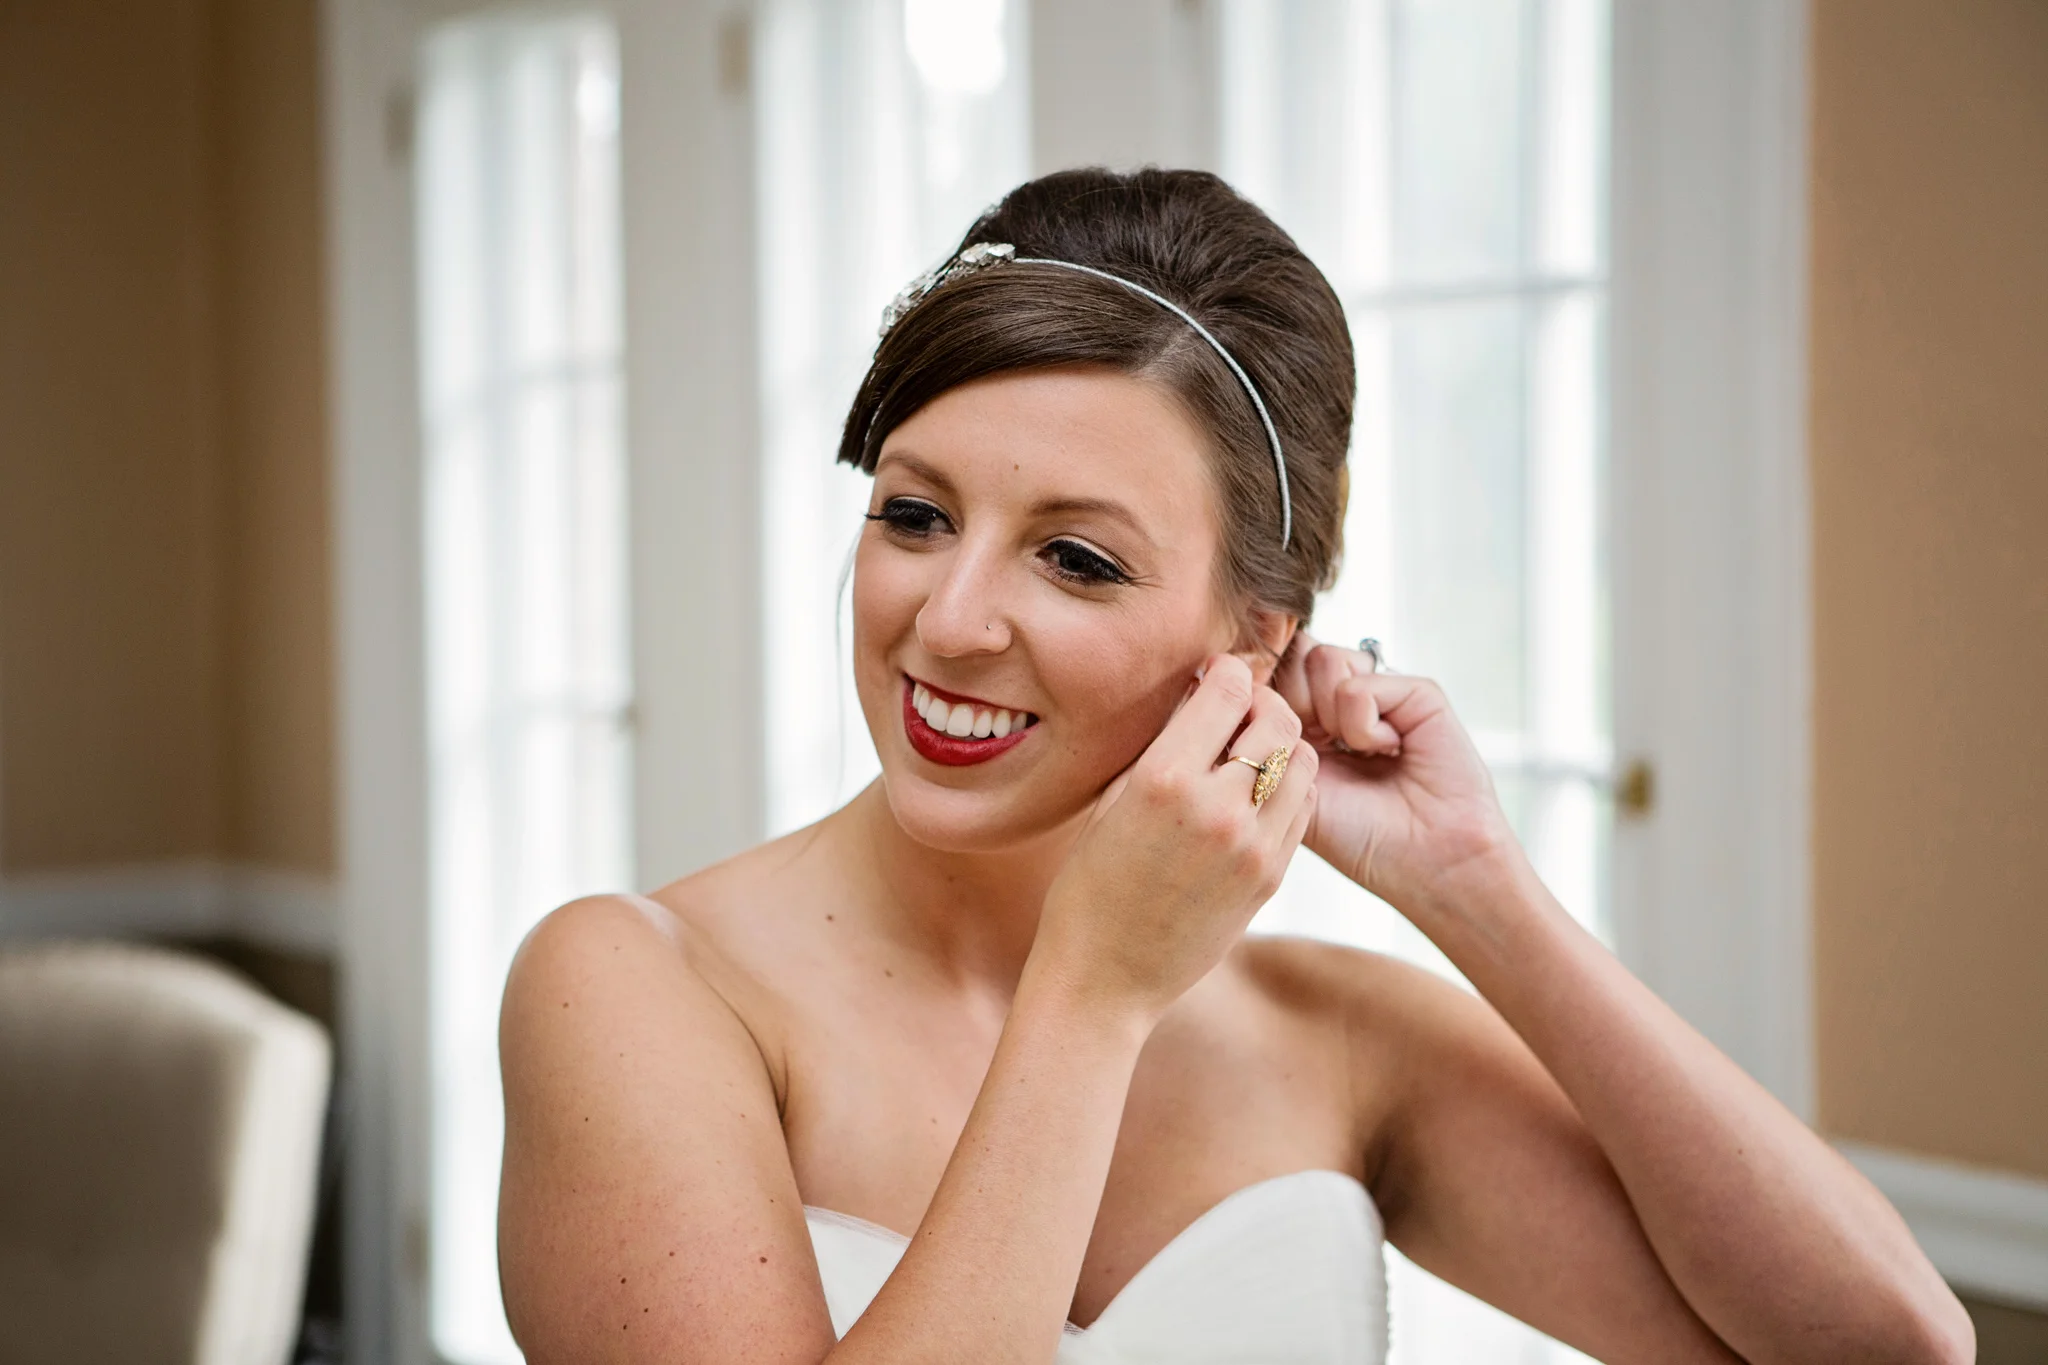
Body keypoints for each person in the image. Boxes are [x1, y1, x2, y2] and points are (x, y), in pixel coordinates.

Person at [496, 168, 1969, 1364]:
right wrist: (1089, 997)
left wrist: (1478, 887)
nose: (947, 622)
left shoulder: (1327, 1037)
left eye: (1076, 559)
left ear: (1255, 643)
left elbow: (1889, 1346)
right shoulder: (636, 991)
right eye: (914, 515)